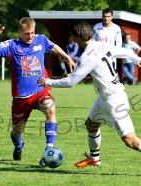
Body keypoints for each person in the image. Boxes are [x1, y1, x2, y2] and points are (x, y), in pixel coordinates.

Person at [37, 19, 141, 168]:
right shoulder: (102, 44)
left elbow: (71, 81)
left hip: (115, 100)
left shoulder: (87, 57)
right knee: (91, 125)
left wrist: (48, 82)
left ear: (76, 37)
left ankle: (95, 157)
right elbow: (123, 51)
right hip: (104, 98)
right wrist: (136, 58)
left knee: (131, 141)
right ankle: (94, 158)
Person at [0, 18, 75, 167]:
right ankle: (18, 145)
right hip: (21, 98)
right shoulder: (12, 45)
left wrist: (67, 58)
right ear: (20, 31)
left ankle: (49, 151)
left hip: (40, 90)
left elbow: (53, 47)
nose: (30, 36)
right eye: (27, 33)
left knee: (50, 107)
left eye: (32, 33)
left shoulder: (41, 40)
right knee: (16, 132)